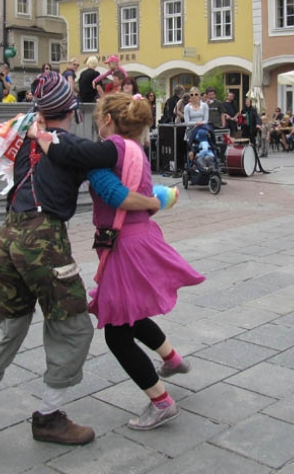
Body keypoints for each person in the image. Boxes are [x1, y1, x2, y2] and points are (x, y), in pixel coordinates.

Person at [0, 72, 169, 446]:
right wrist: (153, 200)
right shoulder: (72, 146)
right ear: (72, 111)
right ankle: (49, 417)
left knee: (12, 329)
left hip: (8, 235)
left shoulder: (24, 143)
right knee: (73, 327)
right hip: (43, 238)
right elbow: (107, 160)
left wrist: (36, 133)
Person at [88, 93, 205, 430]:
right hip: (139, 238)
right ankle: (172, 359)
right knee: (132, 314)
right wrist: (155, 201)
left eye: (99, 118)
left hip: (125, 245)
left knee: (116, 334)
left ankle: (161, 402)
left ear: (108, 120)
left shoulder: (109, 152)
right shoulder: (135, 149)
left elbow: (116, 195)